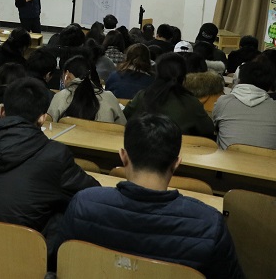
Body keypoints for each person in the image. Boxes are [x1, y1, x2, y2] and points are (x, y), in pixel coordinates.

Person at [55, 113, 243, 279]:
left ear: (123, 156)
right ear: (177, 163)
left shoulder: (83, 204)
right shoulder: (209, 225)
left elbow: (57, 263)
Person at [0, 77, 99, 254]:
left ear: (2, 111)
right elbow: (91, 193)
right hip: (21, 255)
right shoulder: (54, 155)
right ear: (42, 118)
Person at [124, 52, 214, 138]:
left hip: (143, 146)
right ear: (184, 75)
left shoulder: (142, 96)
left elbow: (125, 117)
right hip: (178, 147)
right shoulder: (192, 103)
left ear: (157, 73)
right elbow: (208, 129)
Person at [214, 60, 276, 150]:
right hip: (266, 159)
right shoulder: (273, 107)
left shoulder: (224, 102)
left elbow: (215, 129)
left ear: (239, 80)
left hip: (228, 158)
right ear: (270, 85)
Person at [48, 55, 125, 124]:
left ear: (67, 75)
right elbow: (122, 127)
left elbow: (50, 126)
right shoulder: (109, 97)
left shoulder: (60, 97)